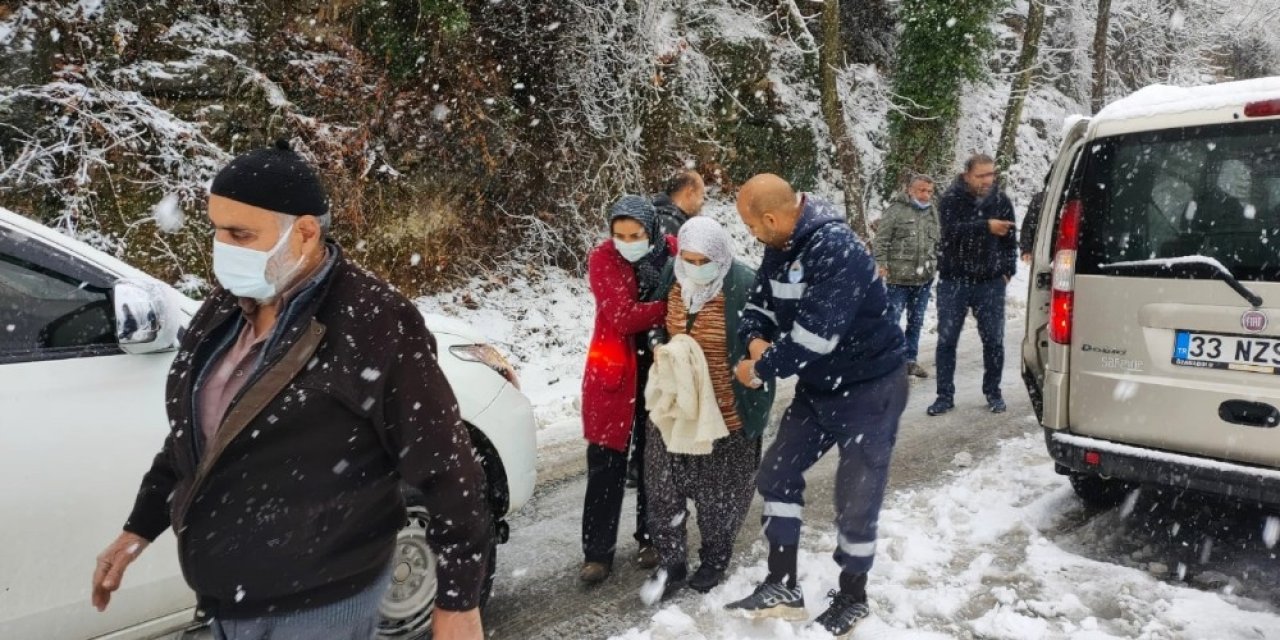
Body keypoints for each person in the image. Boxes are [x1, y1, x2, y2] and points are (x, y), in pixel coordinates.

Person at [91, 141, 492, 639]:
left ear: (303, 233)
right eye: (217, 230)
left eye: (240, 233)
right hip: (226, 599)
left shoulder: (374, 321)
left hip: (319, 605)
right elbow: (196, 438)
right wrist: (140, 526)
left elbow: (448, 468)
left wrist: (458, 604)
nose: (223, 247)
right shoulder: (226, 309)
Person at [722, 174, 907, 637]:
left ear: (769, 218)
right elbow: (758, 307)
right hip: (820, 387)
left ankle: (853, 596)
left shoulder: (836, 249)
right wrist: (756, 340)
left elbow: (814, 338)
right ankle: (782, 583)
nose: (752, 237)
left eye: (751, 228)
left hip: (871, 389)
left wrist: (759, 367)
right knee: (777, 473)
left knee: (856, 499)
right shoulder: (779, 244)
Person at [640, 217, 775, 599]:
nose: (696, 268)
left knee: (720, 496)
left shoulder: (745, 285)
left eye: (705, 261)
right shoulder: (673, 274)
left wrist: (755, 369)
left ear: (720, 257)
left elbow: (765, 343)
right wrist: (658, 346)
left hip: (727, 411)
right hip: (676, 406)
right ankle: (673, 562)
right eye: (689, 259)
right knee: (663, 489)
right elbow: (655, 321)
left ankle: (715, 556)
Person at [580, 195, 676, 584]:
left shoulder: (670, 250)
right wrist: (668, 308)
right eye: (619, 234)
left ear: (650, 230)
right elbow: (620, 317)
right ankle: (597, 552)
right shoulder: (603, 259)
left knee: (655, 459)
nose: (626, 241)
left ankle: (651, 537)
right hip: (614, 373)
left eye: (635, 234)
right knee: (606, 463)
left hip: (656, 370)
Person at [928, 153, 1017, 416]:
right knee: (946, 342)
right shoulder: (950, 200)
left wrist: (1007, 271)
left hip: (990, 282)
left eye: (991, 174)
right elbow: (948, 233)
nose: (988, 180)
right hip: (954, 280)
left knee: (994, 341)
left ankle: (993, 391)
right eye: (982, 175)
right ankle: (944, 395)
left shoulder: (1001, 201)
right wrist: (984, 226)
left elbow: (1010, 241)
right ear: (967, 175)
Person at [873, 174, 940, 379]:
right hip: (898, 279)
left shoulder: (932, 212)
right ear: (910, 190)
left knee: (916, 321)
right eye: (921, 190)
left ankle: (910, 360)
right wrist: (881, 264)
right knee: (892, 321)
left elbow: (937, 241)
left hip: (923, 278)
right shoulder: (895, 211)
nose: (925, 195)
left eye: (929, 191)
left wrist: (936, 263)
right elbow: (881, 240)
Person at [652, 170, 706, 238]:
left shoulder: (658, 218)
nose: (703, 201)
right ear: (690, 193)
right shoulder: (670, 226)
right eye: (702, 195)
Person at [1020, 189, 1046, 263]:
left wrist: (1026, 249)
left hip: (1043, 251)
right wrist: (1026, 249)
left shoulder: (1039, 198)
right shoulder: (1040, 199)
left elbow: (1028, 224)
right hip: (1043, 252)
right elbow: (1028, 224)